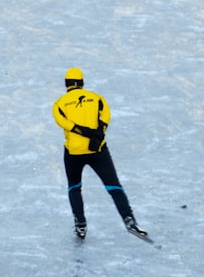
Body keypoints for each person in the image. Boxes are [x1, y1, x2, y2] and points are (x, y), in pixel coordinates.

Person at [53, 68, 147, 240]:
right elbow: (105, 115)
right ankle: (129, 219)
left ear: (66, 84)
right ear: (82, 83)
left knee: (74, 188)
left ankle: (80, 225)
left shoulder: (59, 104)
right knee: (114, 186)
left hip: (74, 153)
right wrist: (98, 134)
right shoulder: (97, 98)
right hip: (98, 150)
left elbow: (65, 123)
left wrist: (83, 132)